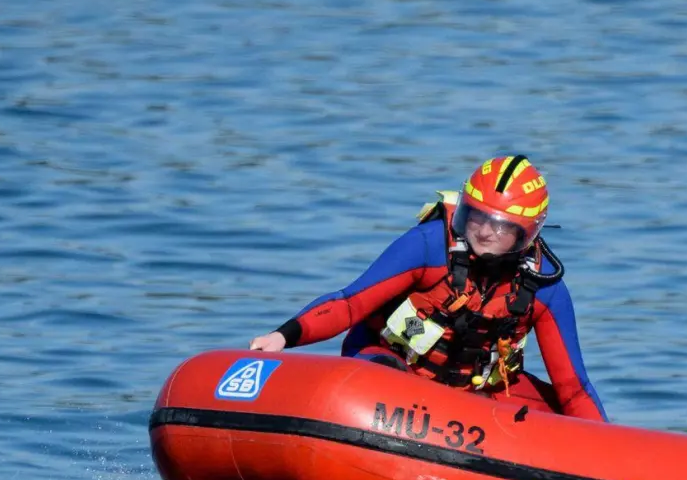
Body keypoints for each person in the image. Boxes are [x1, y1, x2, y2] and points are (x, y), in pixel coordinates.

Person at [250, 156, 607, 421]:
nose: (483, 232)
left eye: (499, 227)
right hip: (388, 364)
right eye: (477, 217)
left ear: (526, 234)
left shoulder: (544, 288)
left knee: (560, 412)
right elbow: (348, 305)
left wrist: (610, 452)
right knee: (383, 379)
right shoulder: (428, 245)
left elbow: (573, 387)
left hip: (472, 393)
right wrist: (283, 337)